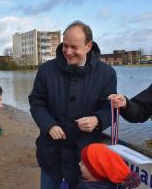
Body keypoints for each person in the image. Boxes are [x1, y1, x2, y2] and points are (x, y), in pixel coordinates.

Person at [28, 21, 117, 189]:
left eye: (74, 47)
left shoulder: (107, 74)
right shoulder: (46, 70)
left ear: (88, 46)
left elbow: (110, 109)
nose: (68, 52)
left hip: (84, 160)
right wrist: (49, 125)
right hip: (51, 154)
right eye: (65, 46)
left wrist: (97, 120)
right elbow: (36, 102)